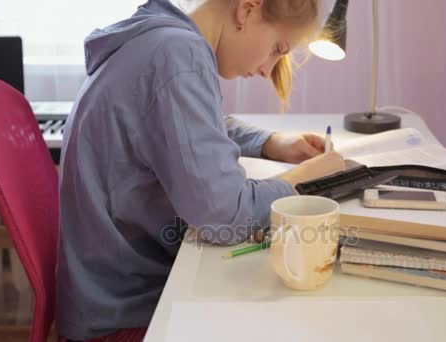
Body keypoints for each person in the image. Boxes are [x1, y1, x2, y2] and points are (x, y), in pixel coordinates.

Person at [56, 0, 344, 340]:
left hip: (105, 292)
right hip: (124, 314)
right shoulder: (178, 56)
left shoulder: (161, 38)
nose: (269, 69)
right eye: (277, 49)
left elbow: (190, 122)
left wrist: (270, 142)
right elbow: (224, 215)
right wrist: (304, 181)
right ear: (248, 9)